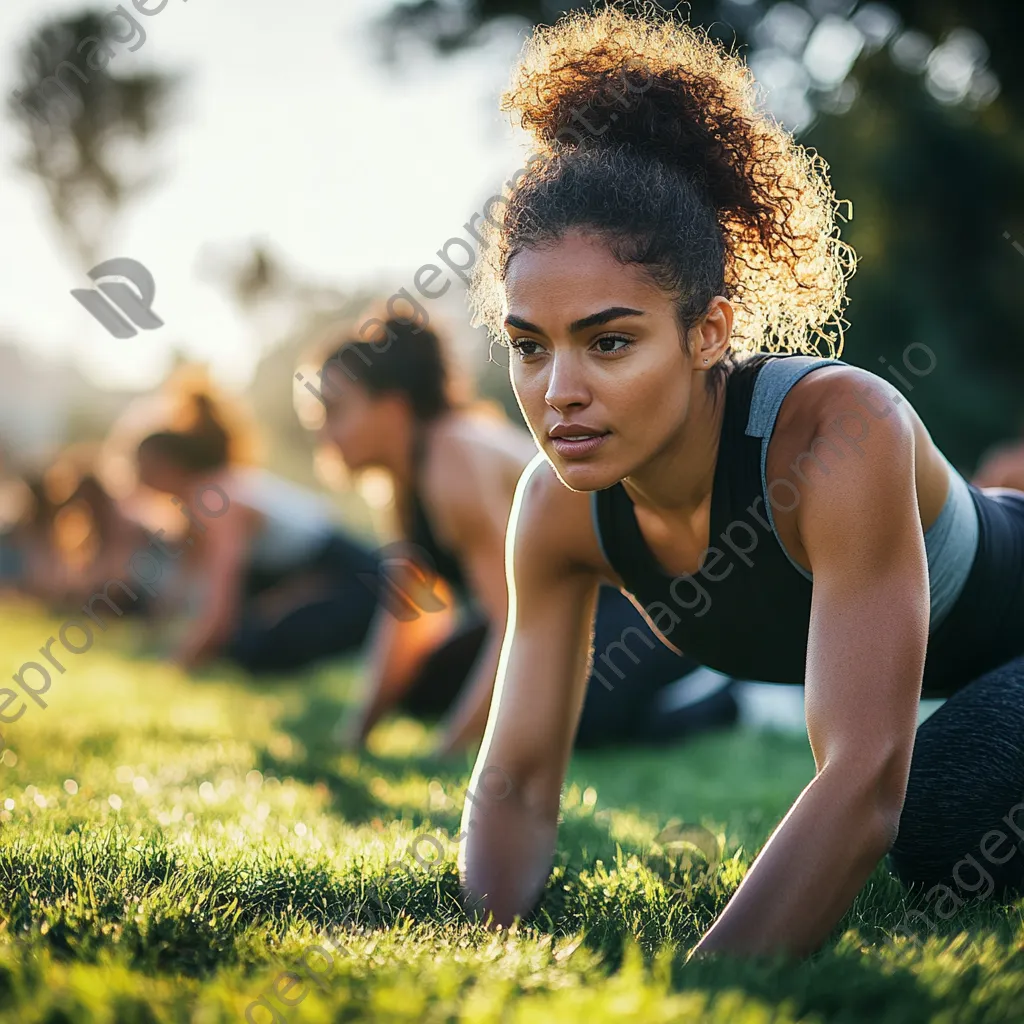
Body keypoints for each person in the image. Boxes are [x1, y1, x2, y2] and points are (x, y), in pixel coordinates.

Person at [454, 8, 1024, 960]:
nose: (559, 394)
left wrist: (703, 988)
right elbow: (514, 779)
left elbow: (865, 781)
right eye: (527, 347)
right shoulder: (557, 511)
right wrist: (482, 950)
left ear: (710, 332)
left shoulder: (836, 434)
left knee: (950, 811)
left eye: (610, 341)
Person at [318, 310, 739, 755]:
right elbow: (411, 613)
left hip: (631, 607)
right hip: (552, 612)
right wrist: (356, 733)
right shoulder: (404, 480)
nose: (323, 432)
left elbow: (513, 624)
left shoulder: (452, 458)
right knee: (426, 686)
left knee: (573, 718)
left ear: (392, 409)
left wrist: (449, 749)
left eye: (335, 411)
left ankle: (728, 696)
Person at [135, 387, 380, 673]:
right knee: (246, 642)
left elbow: (221, 612)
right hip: (323, 575)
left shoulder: (216, 499)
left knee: (250, 648)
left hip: (361, 581)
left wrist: (175, 666)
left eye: (142, 467)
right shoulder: (201, 501)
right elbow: (184, 592)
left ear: (167, 466)